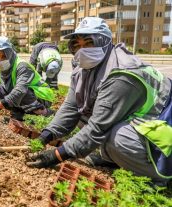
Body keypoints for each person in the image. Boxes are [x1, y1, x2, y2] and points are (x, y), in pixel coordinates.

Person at [26, 17, 172, 186]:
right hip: (139, 121)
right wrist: (45, 136)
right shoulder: (83, 69)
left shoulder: (122, 73)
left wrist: (56, 155)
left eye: (89, 43)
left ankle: (159, 177)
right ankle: (114, 159)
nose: (82, 50)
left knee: (118, 138)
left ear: (104, 42)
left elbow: (97, 128)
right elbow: (71, 107)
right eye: (77, 45)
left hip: (164, 126)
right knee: (84, 114)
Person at [0, 36, 55, 121]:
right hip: (25, 96)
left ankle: (45, 112)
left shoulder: (22, 66)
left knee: (20, 93)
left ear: (10, 53)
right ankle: (17, 113)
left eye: (4, 56)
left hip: (42, 97)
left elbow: (20, 90)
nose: (1, 60)